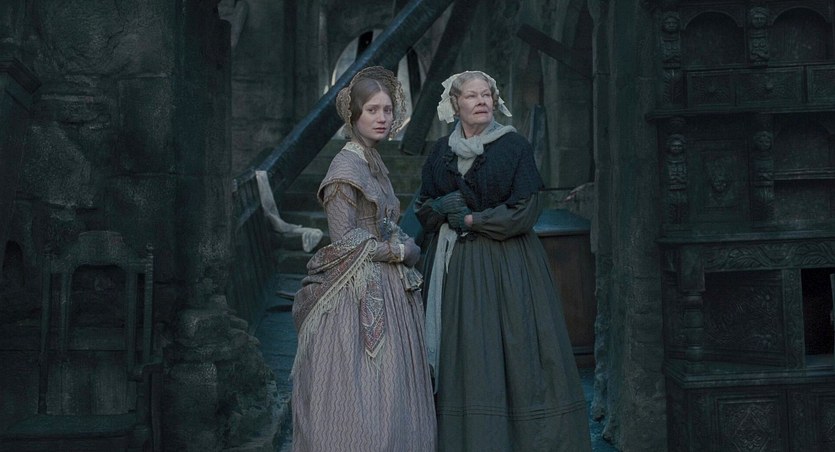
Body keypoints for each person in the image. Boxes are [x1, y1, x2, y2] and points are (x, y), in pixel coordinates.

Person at [416, 70, 592, 451]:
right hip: (452, 272)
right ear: (455, 105)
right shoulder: (441, 152)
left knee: (513, 353)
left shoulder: (514, 147)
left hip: (506, 267)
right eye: (472, 96)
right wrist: (440, 208)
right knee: (462, 356)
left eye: (487, 95)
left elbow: (525, 210)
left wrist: (471, 220)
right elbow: (423, 206)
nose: (482, 101)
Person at [291, 66, 436, 451]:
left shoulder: (373, 162)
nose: (382, 118)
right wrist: (400, 251)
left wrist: (401, 239)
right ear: (353, 115)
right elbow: (347, 242)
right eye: (372, 110)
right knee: (364, 397)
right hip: (357, 293)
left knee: (396, 394)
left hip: (389, 287)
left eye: (387, 110)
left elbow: (383, 225)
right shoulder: (345, 169)